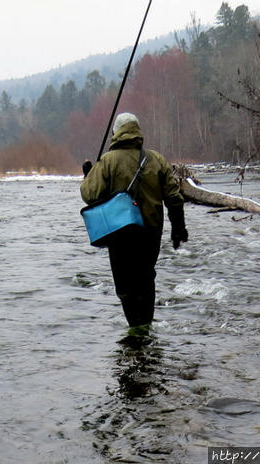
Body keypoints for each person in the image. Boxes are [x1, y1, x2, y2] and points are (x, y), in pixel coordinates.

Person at [80, 113, 188, 329]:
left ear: (115, 133)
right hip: (151, 233)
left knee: (126, 287)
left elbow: (89, 194)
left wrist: (88, 174)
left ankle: (136, 330)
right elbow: (174, 198)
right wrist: (178, 228)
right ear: (137, 131)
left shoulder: (108, 161)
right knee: (147, 279)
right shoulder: (156, 159)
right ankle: (145, 327)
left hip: (120, 235)